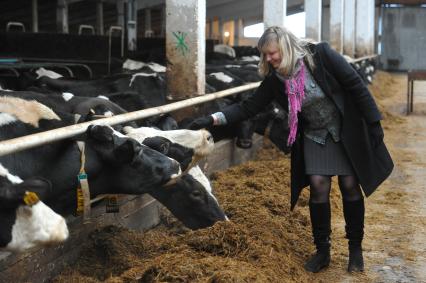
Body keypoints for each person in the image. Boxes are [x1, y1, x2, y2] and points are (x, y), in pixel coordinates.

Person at [188, 26, 394, 273]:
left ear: (285, 47)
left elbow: (355, 85)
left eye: (272, 53)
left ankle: (355, 249)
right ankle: (322, 251)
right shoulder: (276, 80)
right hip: (314, 135)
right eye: (265, 55)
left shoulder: (321, 56)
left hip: (345, 129)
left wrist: (374, 122)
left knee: (349, 184)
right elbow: (248, 107)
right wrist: (212, 119)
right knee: (318, 185)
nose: (268, 59)